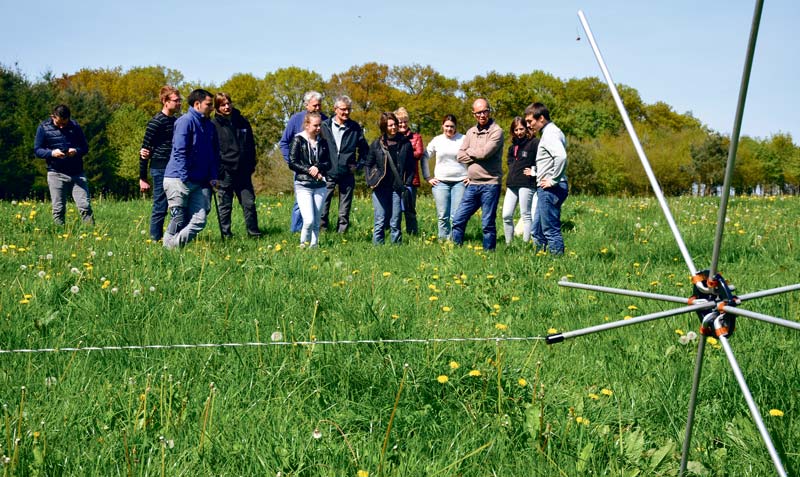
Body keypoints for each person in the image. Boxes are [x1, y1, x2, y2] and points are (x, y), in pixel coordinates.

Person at [162, 89, 220, 249]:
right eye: (208, 104)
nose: (212, 108)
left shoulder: (209, 125)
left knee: (199, 220)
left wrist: (213, 175)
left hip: (199, 181)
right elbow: (180, 150)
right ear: (197, 104)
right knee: (178, 218)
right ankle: (169, 250)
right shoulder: (185, 121)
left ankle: (170, 246)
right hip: (178, 179)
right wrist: (184, 176)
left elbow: (213, 153)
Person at [451, 98, 504, 250]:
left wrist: (471, 153)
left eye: (485, 111)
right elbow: (460, 155)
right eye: (479, 112)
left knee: (487, 224)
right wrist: (475, 153)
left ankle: (489, 256)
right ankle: (456, 252)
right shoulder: (470, 132)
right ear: (474, 114)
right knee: (458, 219)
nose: (482, 115)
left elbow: (485, 153)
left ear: (489, 111)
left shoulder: (496, 131)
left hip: (490, 184)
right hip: (472, 184)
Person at [34, 104, 94, 225]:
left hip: (77, 173)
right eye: (59, 123)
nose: (62, 126)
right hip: (55, 172)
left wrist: (76, 151)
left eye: (65, 123)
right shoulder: (43, 128)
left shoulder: (75, 126)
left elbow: (85, 147)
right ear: (52, 116)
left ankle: (91, 233)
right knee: (58, 209)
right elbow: (37, 150)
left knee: (85, 206)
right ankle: (59, 234)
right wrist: (51, 153)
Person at [211, 92, 260, 238]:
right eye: (222, 105)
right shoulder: (214, 125)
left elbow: (251, 145)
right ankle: (226, 235)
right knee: (225, 206)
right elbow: (212, 150)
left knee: (249, 204)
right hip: (225, 173)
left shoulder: (242, 122)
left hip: (243, 172)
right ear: (217, 107)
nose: (227, 107)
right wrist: (219, 170)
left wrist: (251, 165)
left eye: (228, 103)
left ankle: (254, 233)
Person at [279, 91, 326, 233]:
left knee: (319, 202)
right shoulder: (295, 119)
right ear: (306, 105)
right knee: (300, 202)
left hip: (319, 170)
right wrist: (292, 162)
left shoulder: (325, 120)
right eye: (314, 105)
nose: (317, 108)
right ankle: (296, 230)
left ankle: (315, 232)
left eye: (319, 105)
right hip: (301, 169)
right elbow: (284, 143)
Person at [319, 95, 368, 233]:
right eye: (343, 109)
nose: (346, 112)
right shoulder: (324, 126)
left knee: (344, 210)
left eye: (348, 110)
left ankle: (342, 235)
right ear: (335, 109)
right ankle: (322, 232)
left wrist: (358, 166)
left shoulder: (355, 128)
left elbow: (365, 150)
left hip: (347, 173)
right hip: (327, 171)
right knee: (323, 206)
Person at [364, 112, 414, 244]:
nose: (394, 128)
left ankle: (396, 247)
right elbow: (368, 164)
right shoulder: (376, 144)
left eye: (395, 125)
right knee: (380, 219)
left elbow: (411, 166)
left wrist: (407, 183)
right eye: (390, 125)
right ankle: (377, 247)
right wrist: (370, 181)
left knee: (395, 220)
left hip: (397, 187)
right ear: (384, 127)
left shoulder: (405, 143)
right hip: (380, 187)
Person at [525, 102, 568, 255]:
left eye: (530, 121)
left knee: (550, 229)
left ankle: (557, 262)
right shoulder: (552, 132)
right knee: (537, 229)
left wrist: (553, 180)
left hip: (551, 188)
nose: (529, 125)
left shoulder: (550, 134)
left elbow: (561, 157)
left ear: (541, 118)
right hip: (547, 187)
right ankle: (540, 260)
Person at [140, 85, 181, 241]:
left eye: (179, 100)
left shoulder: (177, 121)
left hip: (175, 167)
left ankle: (174, 238)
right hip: (160, 168)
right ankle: (155, 239)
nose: (179, 103)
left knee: (177, 205)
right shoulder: (155, 122)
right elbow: (144, 151)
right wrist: (142, 178)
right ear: (165, 101)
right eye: (176, 100)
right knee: (160, 206)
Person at [287, 112, 331, 248]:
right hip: (303, 185)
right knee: (309, 220)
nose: (318, 128)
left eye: (320, 125)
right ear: (307, 125)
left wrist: (318, 167)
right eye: (315, 125)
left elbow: (328, 163)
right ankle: (303, 245)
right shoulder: (298, 140)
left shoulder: (323, 142)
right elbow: (292, 162)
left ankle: (314, 246)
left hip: (320, 185)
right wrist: (309, 170)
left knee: (317, 220)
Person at [423, 114, 467, 240]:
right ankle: (443, 241)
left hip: (460, 182)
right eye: (447, 126)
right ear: (442, 126)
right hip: (440, 182)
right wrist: (427, 177)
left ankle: (455, 240)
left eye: (452, 126)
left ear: (456, 127)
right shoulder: (437, 140)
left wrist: (470, 176)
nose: (449, 129)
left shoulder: (463, 139)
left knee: (456, 215)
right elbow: (424, 156)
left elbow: (473, 157)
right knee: (443, 215)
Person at [502, 117, 538, 244]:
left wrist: (534, 172)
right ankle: (509, 244)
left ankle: (524, 245)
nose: (519, 132)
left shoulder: (534, 143)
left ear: (527, 128)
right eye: (516, 129)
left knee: (525, 215)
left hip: (526, 184)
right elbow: (510, 161)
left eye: (521, 129)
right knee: (506, 215)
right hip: (512, 184)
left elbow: (541, 161)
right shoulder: (513, 146)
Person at [394, 107, 424, 235]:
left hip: (411, 178)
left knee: (409, 209)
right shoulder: (392, 137)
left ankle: (413, 234)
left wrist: (404, 152)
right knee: (395, 210)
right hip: (395, 178)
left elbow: (418, 153)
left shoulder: (416, 137)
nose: (402, 124)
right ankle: (395, 232)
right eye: (399, 122)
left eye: (405, 121)